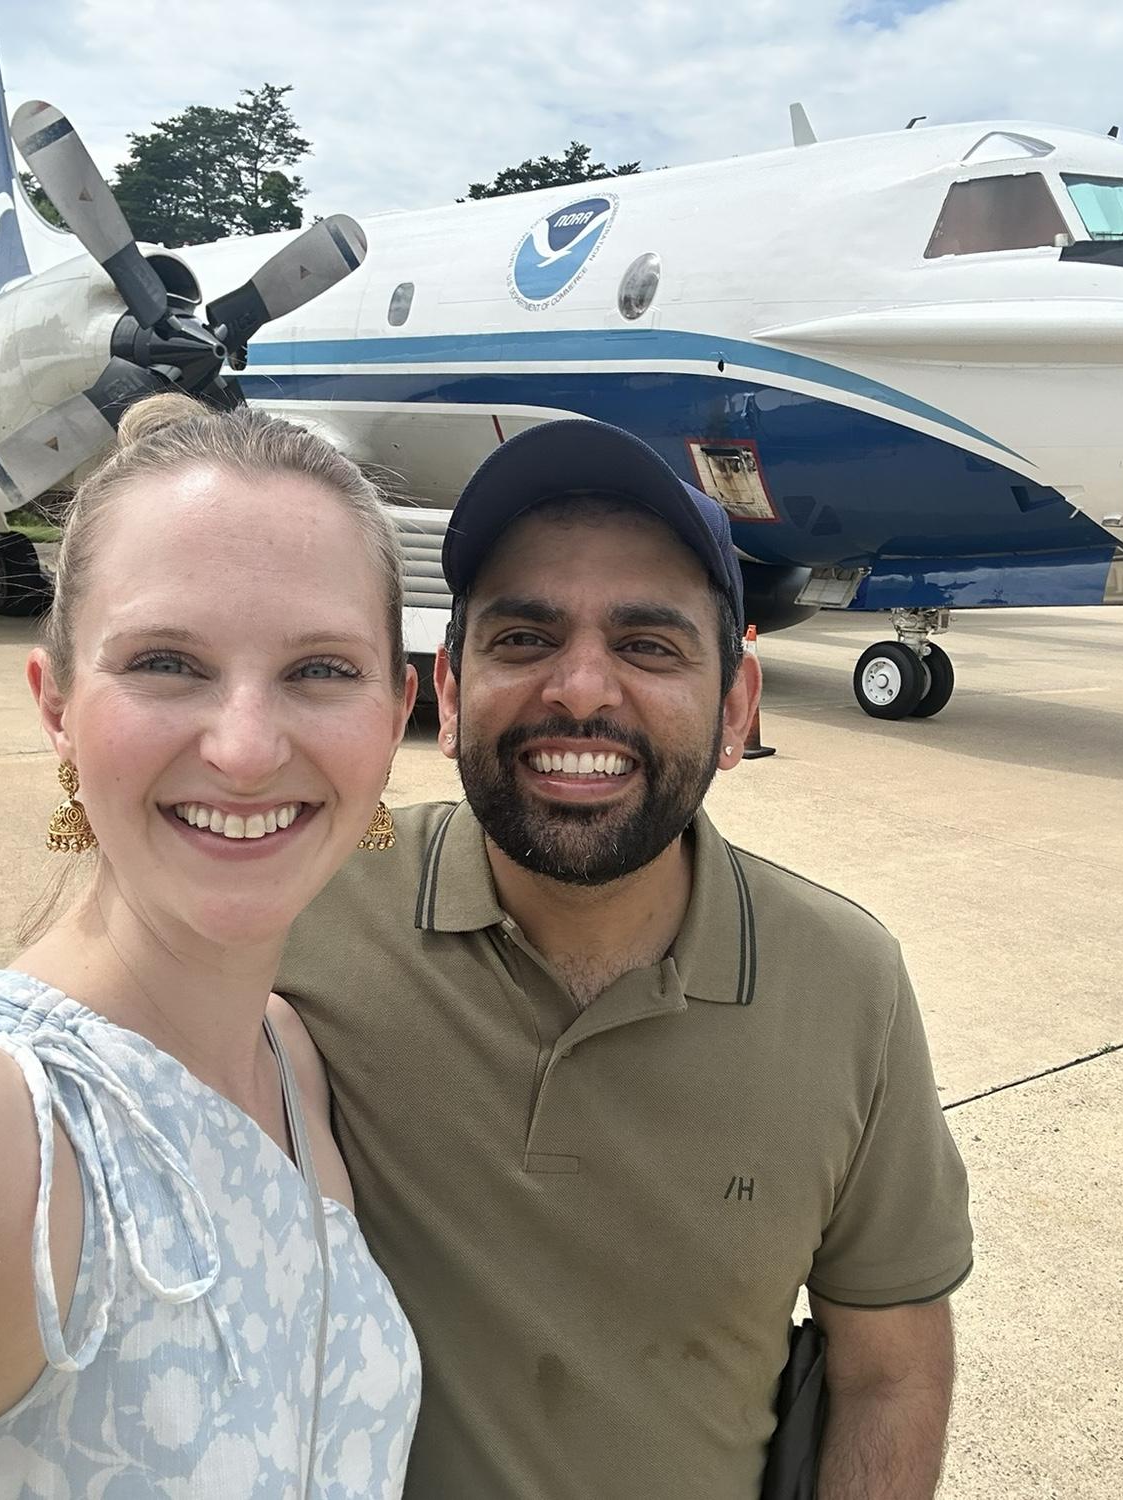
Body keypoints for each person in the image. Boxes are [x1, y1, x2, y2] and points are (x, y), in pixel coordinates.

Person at [277, 419, 974, 1500]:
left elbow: (889, 1368)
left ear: (737, 708)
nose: (582, 689)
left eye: (649, 646)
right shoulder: (308, 911)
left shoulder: (847, 986)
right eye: (523, 640)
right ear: (451, 691)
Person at [0, 396, 421, 1496]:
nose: (249, 748)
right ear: (57, 705)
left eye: (322, 670)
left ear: (396, 712)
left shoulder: (287, 1057)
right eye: (168, 661)